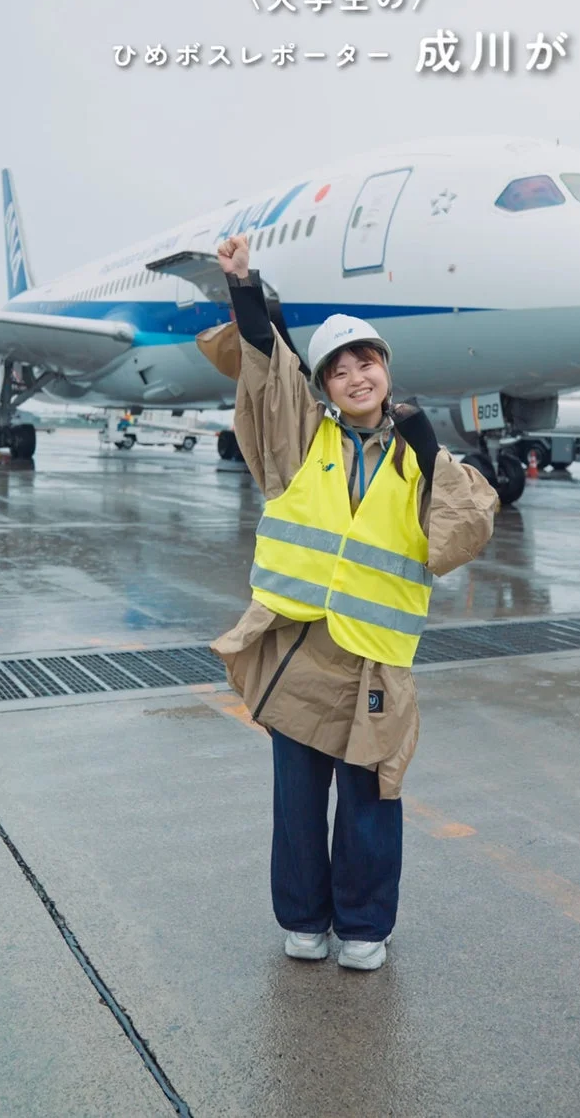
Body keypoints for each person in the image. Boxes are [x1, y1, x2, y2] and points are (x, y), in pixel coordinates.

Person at [196, 233, 497, 971]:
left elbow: (467, 528)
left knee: (370, 801)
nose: (356, 376)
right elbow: (268, 372)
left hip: (375, 661)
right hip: (300, 650)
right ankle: (304, 918)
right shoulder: (303, 443)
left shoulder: (424, 455)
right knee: (298, 805)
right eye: (339, 369)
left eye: (367, 361)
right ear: (325, 386)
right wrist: (243, 288)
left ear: (385, 371)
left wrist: (428, 456)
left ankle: (364, 926)